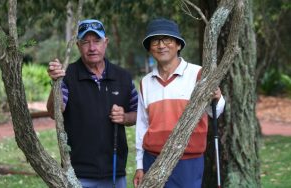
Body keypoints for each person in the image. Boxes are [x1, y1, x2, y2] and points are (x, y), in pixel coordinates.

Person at [133, 18, 225, 188]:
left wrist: (218, 97)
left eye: (167, 39)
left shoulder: (198, 74)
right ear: (149, 48)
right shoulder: (145, 82)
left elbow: (215, 112)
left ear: (178, 45)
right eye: (155, 41)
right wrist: (139, 165)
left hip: (188, 161)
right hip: (152, 159)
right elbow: (142, 126)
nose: (161, 45)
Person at [46, 19, 138, 188]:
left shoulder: (123, 77)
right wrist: (56, 83)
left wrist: (125, 117)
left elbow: (138, 114)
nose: (92, 47)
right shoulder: (68, 76)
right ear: (77, 45)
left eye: (97, 41)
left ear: (106, 42)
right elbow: (54, 112)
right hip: (78, 173)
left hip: (115, 172)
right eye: (85, 42)